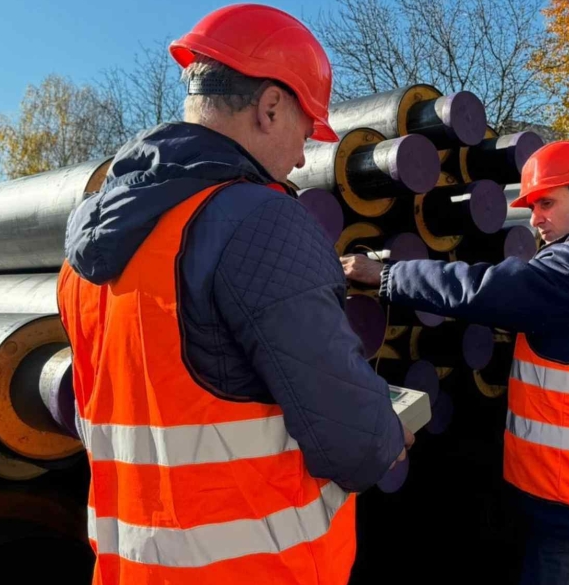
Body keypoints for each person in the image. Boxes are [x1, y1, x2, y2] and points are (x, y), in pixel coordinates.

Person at [56, 5, 412, 584]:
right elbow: (355, 446)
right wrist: (389, 433)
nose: (302, 157)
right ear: (270, 106)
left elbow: (87, 410)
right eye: (304, 131)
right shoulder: (259, 222)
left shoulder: (87, 247)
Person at [341, 141, 569, 585]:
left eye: (547, 202)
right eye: (532, 207)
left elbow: (489, 289)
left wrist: (386, 275)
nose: (535, 219)